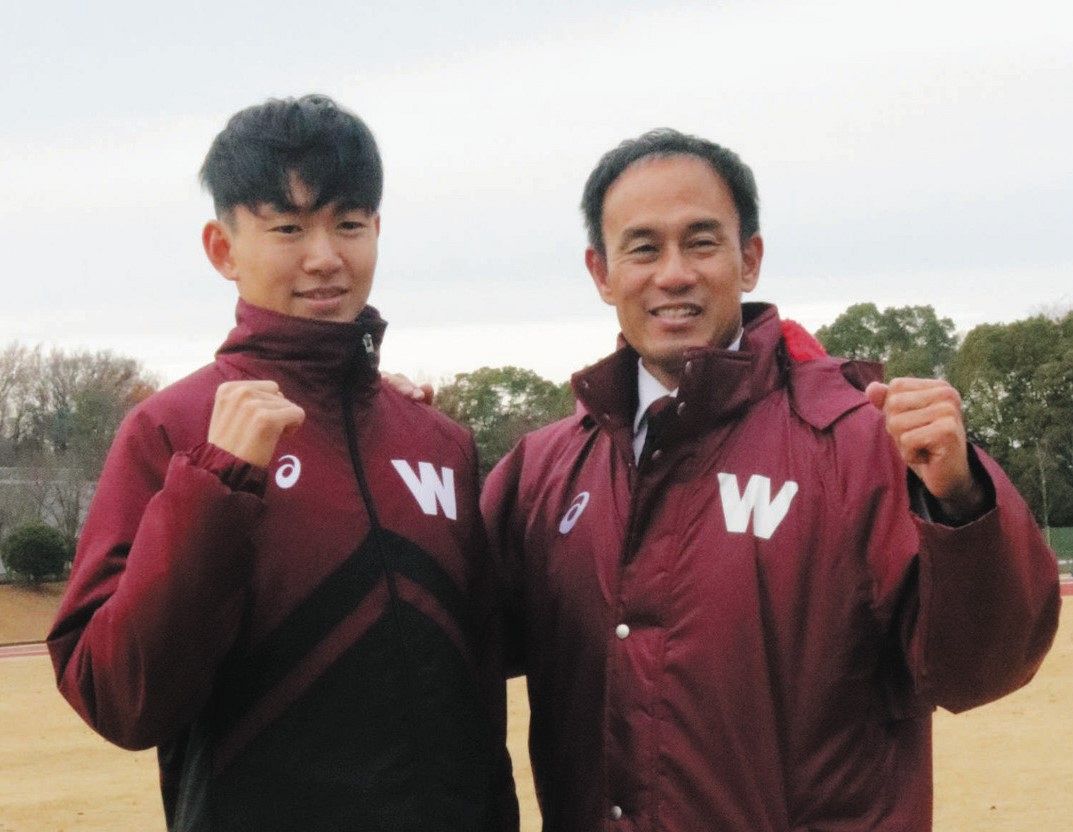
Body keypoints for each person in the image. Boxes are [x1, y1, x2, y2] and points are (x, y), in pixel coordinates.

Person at [480, 129, 1060, 830]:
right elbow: (428, 651)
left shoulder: (858, 446)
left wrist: (962, 502)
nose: (672, 274)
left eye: (700, 242)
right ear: (600, 272)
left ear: (747, 259)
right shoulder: (544, 471)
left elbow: (978, 671)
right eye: (642, 247)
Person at [48, 95, 517, 832]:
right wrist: (216, 483)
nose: (325, 256)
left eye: (349, 224)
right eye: (289, 227)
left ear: (377, 231)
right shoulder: (170, 431)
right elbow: (120, 699)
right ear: (223, 248)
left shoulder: (438, 440)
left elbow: (483, 673)